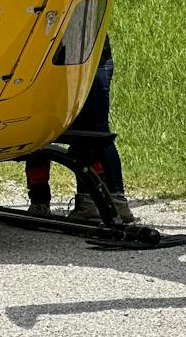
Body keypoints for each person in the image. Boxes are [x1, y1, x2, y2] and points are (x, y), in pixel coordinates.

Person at [26, 36, 136, 224]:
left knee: (85, 132)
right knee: (92, 131)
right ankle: (106, 200)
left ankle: (48, 202)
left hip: (73, 50)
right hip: (81, 49)